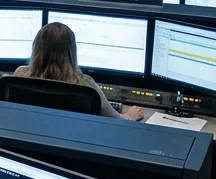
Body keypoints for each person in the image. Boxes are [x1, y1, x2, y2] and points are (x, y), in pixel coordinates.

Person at [15, 22, 143, 120]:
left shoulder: (21, 75)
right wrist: (130, 116)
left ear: (36, 48)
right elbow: (115, 120)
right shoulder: (84, 84)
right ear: (71, 52)